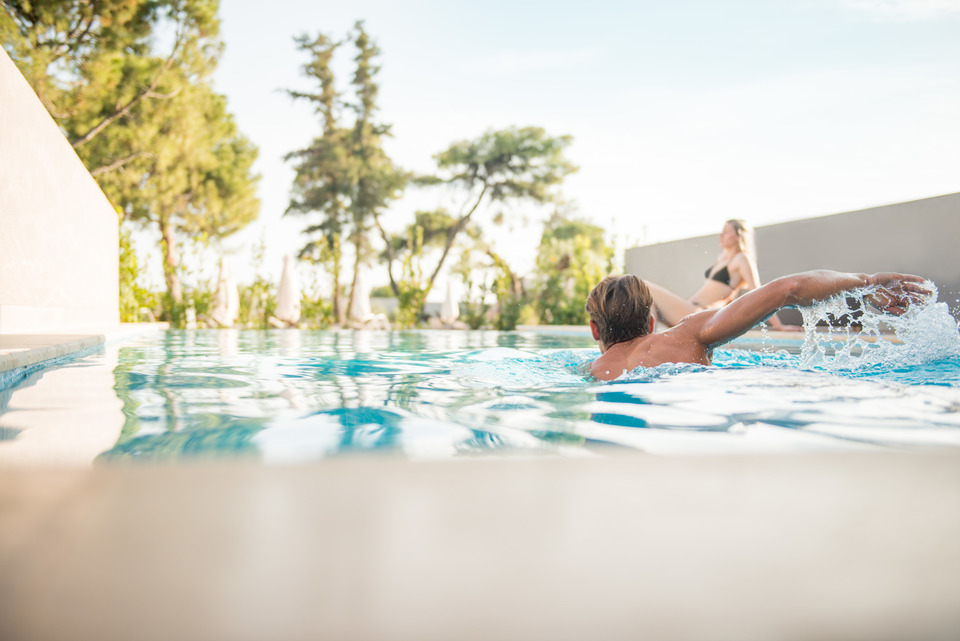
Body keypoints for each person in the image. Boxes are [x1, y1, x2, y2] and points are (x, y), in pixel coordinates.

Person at [585, 270, 929, 381]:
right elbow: (788, 289)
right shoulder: (689, 334)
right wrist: (866, 282)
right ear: (650, 321)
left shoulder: (590, 372)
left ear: (594, 330)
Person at [646, 219, 800, 331]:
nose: (721, 236)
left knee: (645, 286)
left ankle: (646, 343)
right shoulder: (722, 259)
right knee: (646, 299)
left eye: (726, 232)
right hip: (689, 310)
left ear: (738, 236)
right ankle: (646, 340)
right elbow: (727, 299)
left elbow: (759, 293)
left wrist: (779, 326)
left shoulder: (742, 259)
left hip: (697, 313)